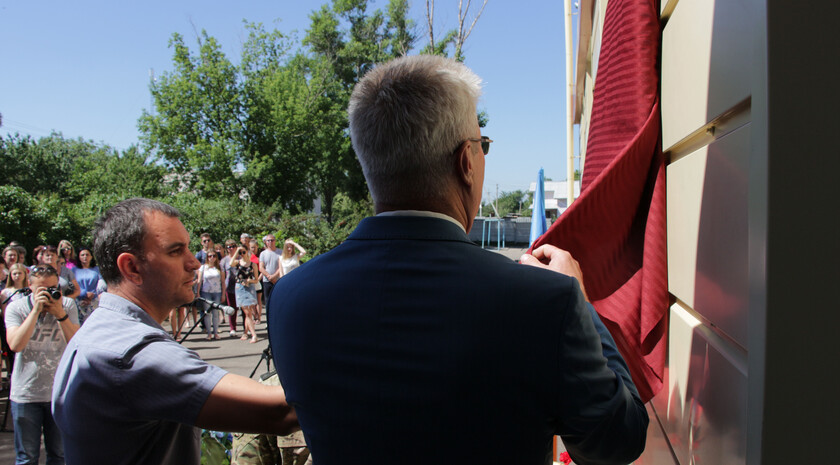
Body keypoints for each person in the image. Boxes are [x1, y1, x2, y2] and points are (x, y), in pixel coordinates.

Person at [267, 55, 648, 465]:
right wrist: (581, 302)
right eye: (484, 146)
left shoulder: (291, 298)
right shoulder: (547, 301)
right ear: (466, 161)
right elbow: (616, 443)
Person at [51, 198, 297, 465]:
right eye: (176, 251)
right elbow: (281, 411)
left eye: (189, 248)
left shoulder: (101, 330)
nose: (193, 263)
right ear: (132, 267)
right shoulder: (135, 353)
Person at [6, 265, 80, 465]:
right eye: (42, 289)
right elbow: (16, 345)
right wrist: (35, 311)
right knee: (27, 457)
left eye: (53, 288)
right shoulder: (16, 307)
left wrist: (60, 314)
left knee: (59, 455)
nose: (48, 293)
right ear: (30, 287)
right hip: (26, 393)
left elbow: (76, 344)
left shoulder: (67, 305)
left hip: (59, 393)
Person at [232, 246, 259, 343]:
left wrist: (249, 280)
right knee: (247, 312)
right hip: (240, 288)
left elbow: (256, 280)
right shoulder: (237, 262)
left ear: (247, 252)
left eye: (243, 252)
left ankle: (247, 332)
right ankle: (253, 334)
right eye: (240, 253)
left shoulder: (253, 264)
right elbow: (231, 263)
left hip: (249, 287)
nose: (242, 254)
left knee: (248, 312)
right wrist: (237, 251)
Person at [198, 249, 225, 340]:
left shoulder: (219, 267)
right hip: (206, 292)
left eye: (214, 256)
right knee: (207, 313)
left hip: (217, 292)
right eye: (210, 256)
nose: (212, 258)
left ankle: (216, 332)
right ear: (207, 257)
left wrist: (223, 294)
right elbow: (199, 281)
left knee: (215, 313)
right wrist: (197, 293)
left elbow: (223, 282)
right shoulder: (203, 267)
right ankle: (209, 333)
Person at [73, 246, 102, 325]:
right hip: (80, 300)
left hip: (94, 300)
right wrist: (84, 294)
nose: (85, 257)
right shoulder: (74, 270)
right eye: (82, 255)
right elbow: (72, 285)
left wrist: (93, 295)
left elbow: (101, 284)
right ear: (79, 257)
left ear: (91, 257)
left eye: (87, 254)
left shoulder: (97, 269)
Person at [221, 239, 240, 337]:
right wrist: (223, 290)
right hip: (229, 286)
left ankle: (246, 329)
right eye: (229, 247)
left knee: (243, 308)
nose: (231, 248)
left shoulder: (241, 258)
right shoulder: (224, 260)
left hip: (240, 286)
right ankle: (232, 328)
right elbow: (223, 276)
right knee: (231, 308)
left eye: (233, 246)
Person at [258, 234, 282, 313]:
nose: (270, 242)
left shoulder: (280, 252)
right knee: (268, 301)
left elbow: (281, 266)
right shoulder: (263, 254)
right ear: (266, 242)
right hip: (267, 281)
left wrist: (274, 276)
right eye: (268, 240)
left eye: (272, 240)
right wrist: (269, 276)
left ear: (275, 241)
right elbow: (261, 267)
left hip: (278, 280)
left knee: (278, 300)